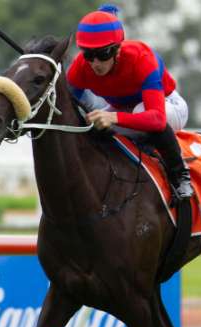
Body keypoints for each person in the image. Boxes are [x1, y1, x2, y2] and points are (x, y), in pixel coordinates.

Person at [67, 4, 194, 199]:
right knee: (89, 126)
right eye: (88, 55)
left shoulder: (142, 58)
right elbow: (69, 105)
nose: (95, 63)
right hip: (124, 109)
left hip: (167, 106)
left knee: (140, 111)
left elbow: (157, 119)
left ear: (118, 49)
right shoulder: (80, 67)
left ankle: (180, 176)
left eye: (103, 54)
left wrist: (113, 117)